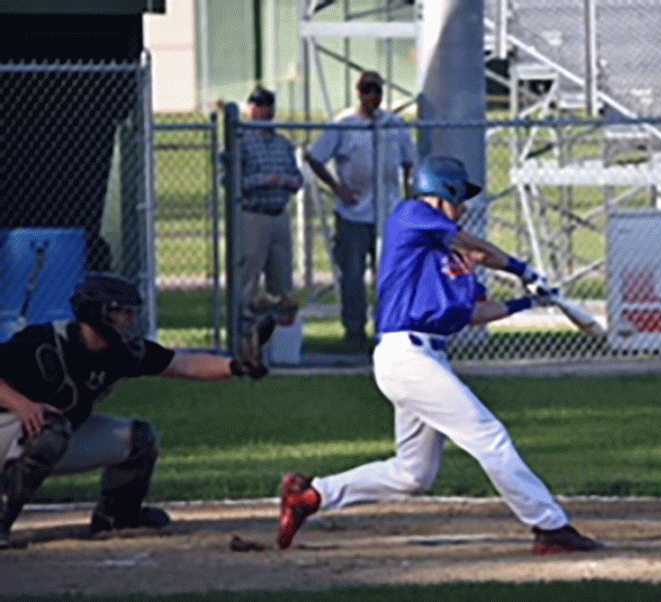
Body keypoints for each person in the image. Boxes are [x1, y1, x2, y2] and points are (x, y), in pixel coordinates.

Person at [277, 156, 600, 555]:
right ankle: (550, 527)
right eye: (459, 197)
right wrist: (522, 268)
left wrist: (527, 303)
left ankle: (310, 497)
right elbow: (472, 242)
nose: (463, 207)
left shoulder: (451, 263)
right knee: (490, 437)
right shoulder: (411, 216)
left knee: (413, 475)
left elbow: (473, 314)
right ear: (442, 192)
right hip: (405, 355)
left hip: (427, 360)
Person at [0, 273, 269, 549]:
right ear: (97, 312)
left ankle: (118, 518)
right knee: (50, 429)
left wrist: (238, 367)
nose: (131, 319)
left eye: (132, 312)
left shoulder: (122, 351)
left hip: (46, 438)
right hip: (7, 430)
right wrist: (21, 404)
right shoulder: (44, 342)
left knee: (139, 439)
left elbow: (181, 365)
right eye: (122, 312)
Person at [304, 71, 416, 353]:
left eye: (377, 90)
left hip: (389, 214)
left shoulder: (394, 124)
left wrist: (409, 200)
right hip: (354, 215)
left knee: (389, 275)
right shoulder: (344, 126)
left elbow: (410, 163)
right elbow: (315, 157)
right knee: (353, 276)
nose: (372, 96)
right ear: (358, 93)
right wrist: (337, 187)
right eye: (367, 90)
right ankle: (354, 332)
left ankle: (387, 330)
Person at [237, 85, 303, 323]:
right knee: (250, 273)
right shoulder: (240, 141)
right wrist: (262, 181)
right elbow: (230, 180)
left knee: (282, 276)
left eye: (267, 105)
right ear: (250, 109)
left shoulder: (283, 144)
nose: (263, 111)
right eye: (258, 105)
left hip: (280, 214)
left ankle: (280, 332)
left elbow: (297, 177)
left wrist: (289, 181)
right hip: (254, 214)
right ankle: (245, 330)